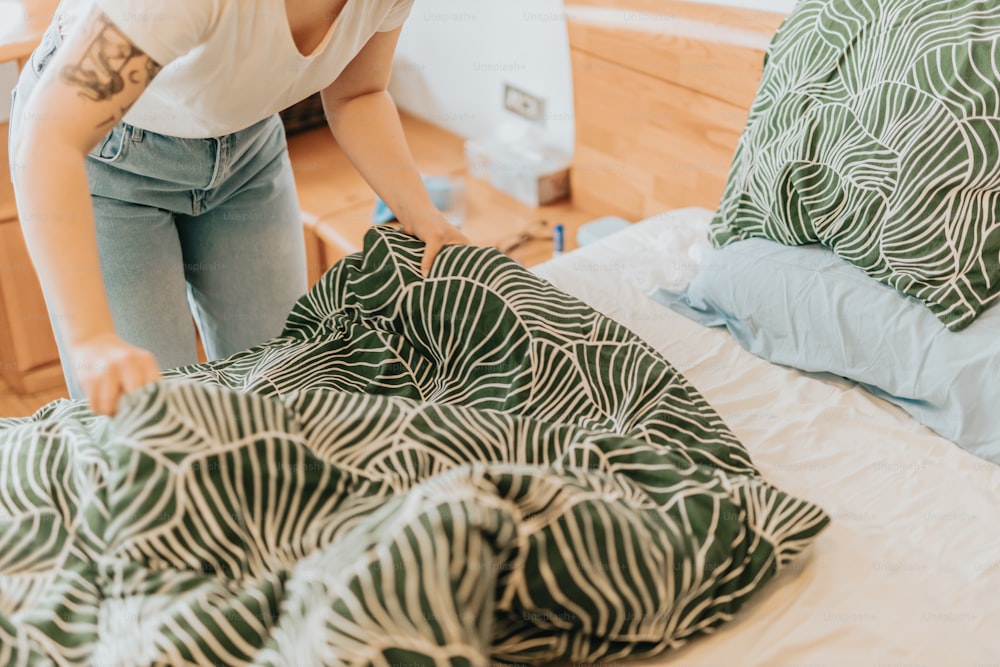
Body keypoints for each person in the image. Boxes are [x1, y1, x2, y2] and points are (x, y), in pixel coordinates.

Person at [8, 0, 468, 416]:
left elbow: (358, 95)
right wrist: (90, 339)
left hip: (246, 147)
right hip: (104, 158)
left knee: (284, 385)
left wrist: (420, 213)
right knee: (150, 416)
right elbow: (51, 141)